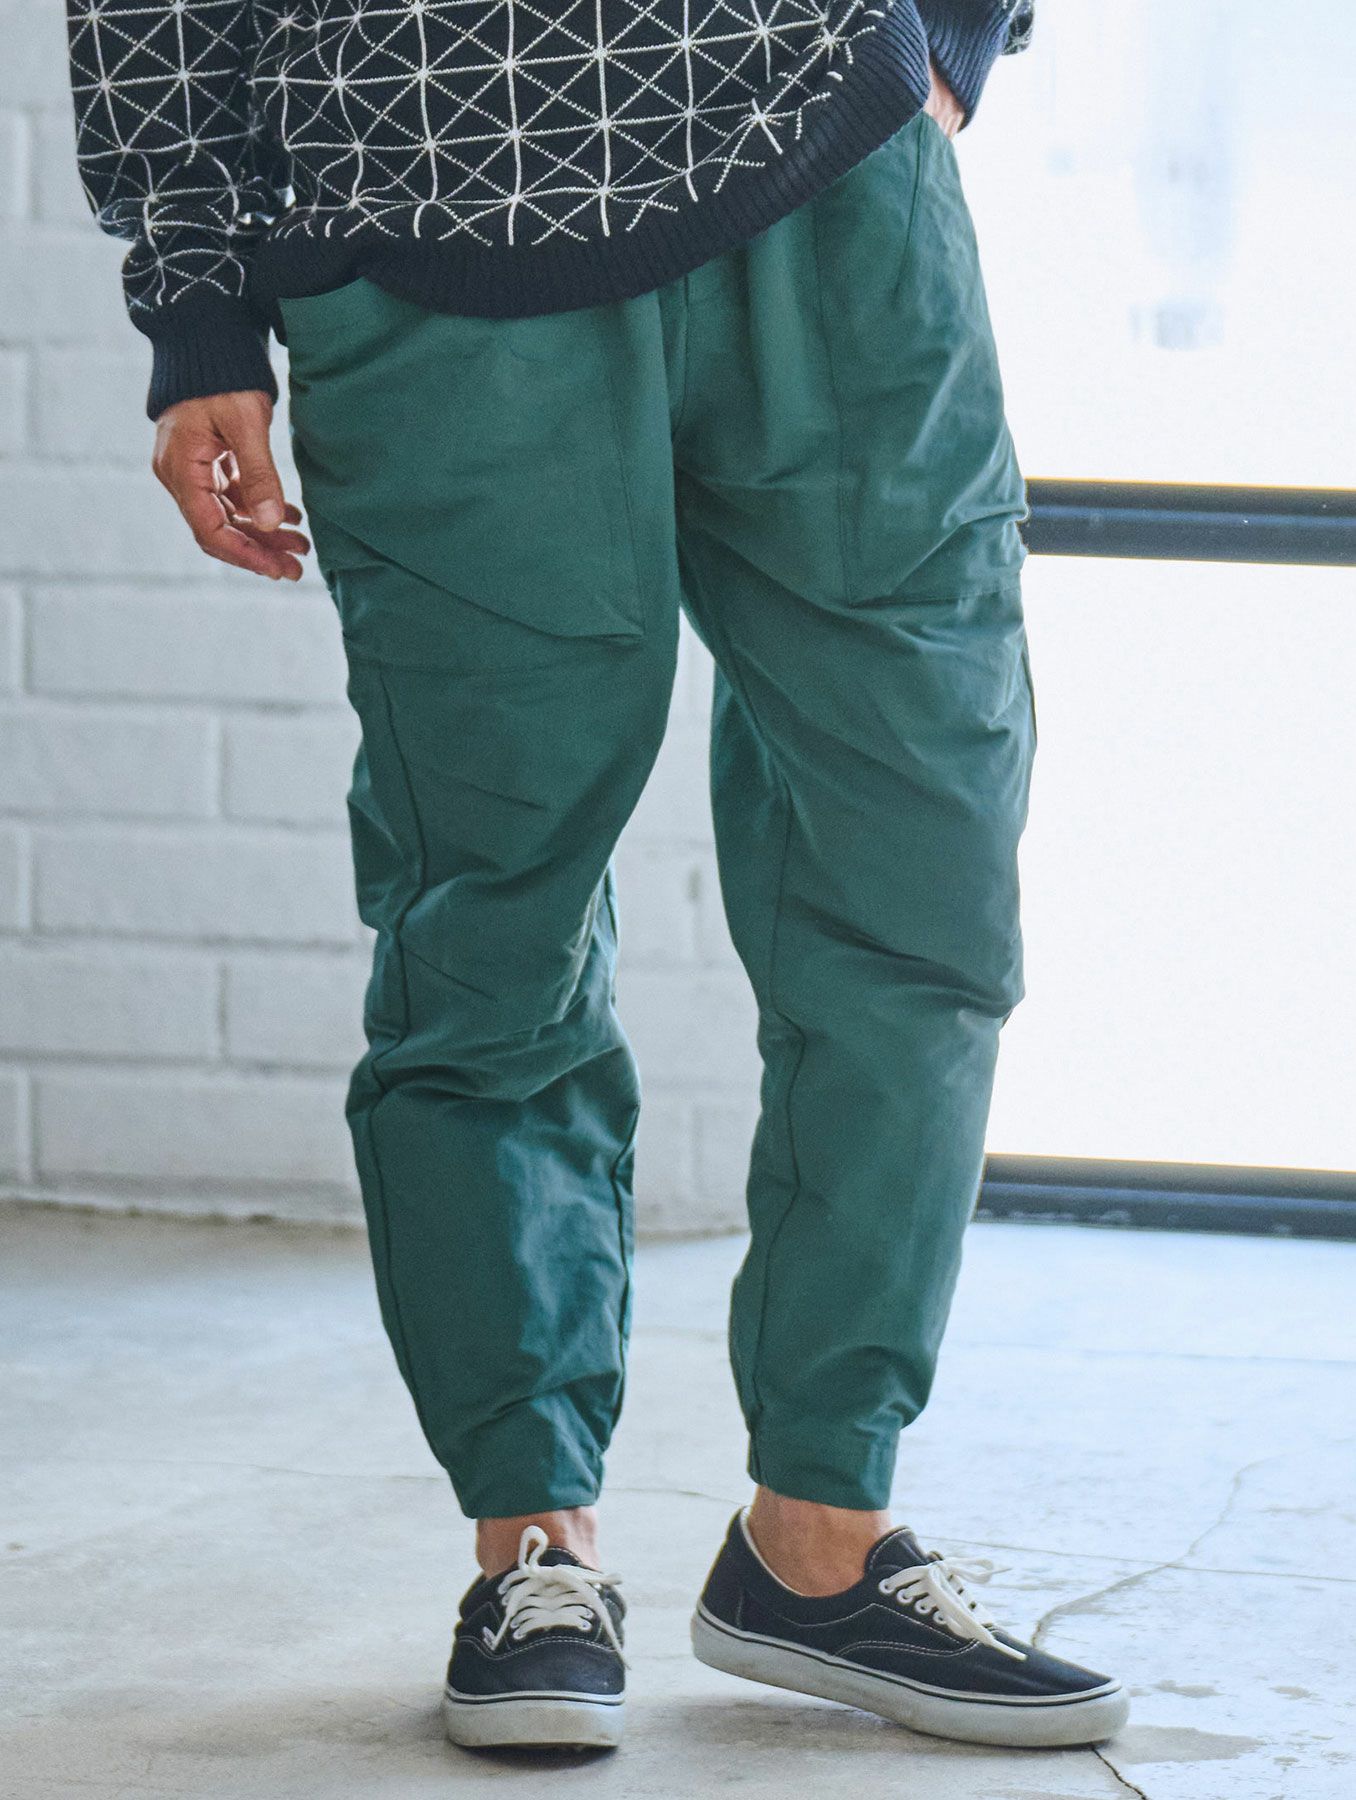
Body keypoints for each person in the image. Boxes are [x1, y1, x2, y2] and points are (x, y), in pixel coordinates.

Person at [68, 0, 1127, 1754]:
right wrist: (197, 310)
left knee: (923, 869)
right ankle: (535, 1548)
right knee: (497, 907)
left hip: (832, 171)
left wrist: (943, 33)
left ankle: (821, 1537)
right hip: (426, 189)